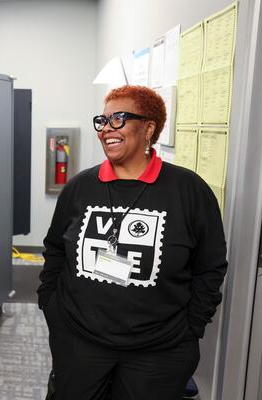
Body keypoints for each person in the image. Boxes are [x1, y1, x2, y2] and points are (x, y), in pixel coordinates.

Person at [38, 85, 227, 400]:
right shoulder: (79, 188)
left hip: (158, 352)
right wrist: (52, 307)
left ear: (149, 128)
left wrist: (190, 328)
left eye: (119, 119)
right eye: (103, 120)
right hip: (80, 343)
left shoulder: (188, 191)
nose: (106, 130)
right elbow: (56, 249)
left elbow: (210, 267)